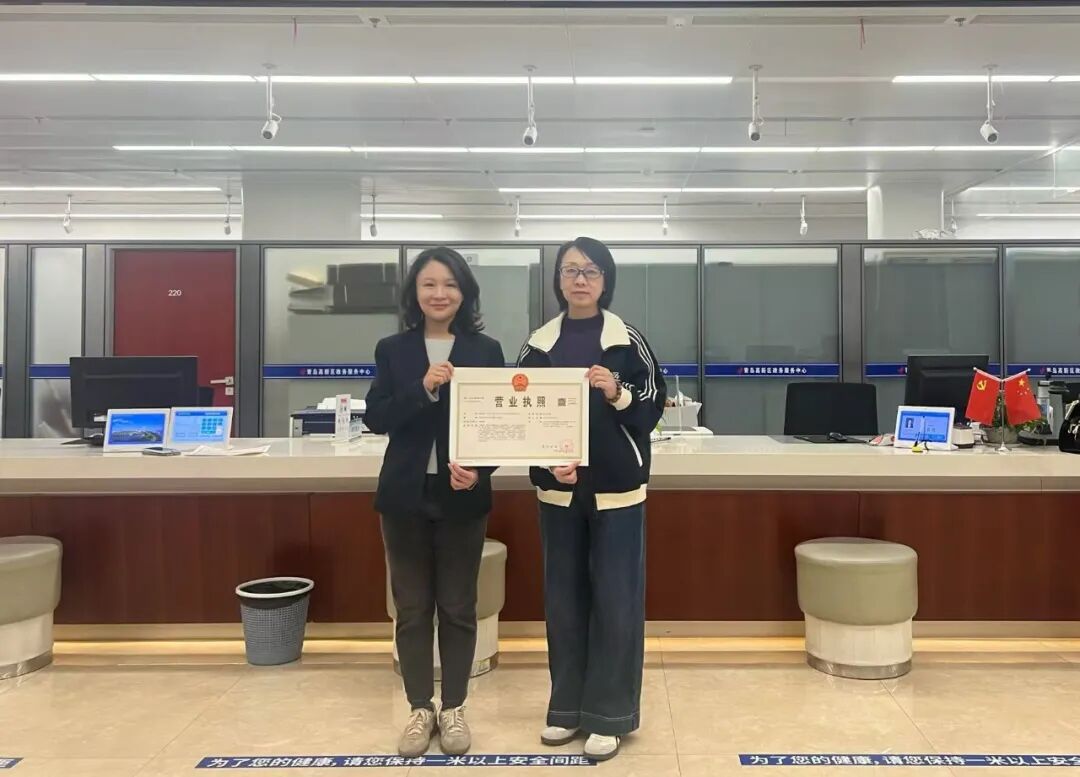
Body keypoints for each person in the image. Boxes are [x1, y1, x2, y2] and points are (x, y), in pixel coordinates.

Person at [517, 237, 666, 762]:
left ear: (606, 280)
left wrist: (617, 393)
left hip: (617, 490)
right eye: (570, 270)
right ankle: (566, 708)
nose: (580, 280)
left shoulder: (628, 341)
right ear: (558, 280)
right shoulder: (538, 346)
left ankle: (610, 715)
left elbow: (652, 410)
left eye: (591, 271)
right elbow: (522, 420)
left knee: (616, 602)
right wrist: (545, 464)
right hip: (558, 494)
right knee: (564, 601)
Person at [365, 247, 505, 758]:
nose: (439, 293)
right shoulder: (393, 349)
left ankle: (455, 708)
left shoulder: (485, 350)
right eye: (429, 284)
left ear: (464, 293)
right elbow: (376, 417)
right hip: (404, 494)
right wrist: (423, 388)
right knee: (412, 608)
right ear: (415, 293)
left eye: (449, 284)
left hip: (462, 495)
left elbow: (501, 426)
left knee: (458, 605)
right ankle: (420, 708)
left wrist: (481, 472)